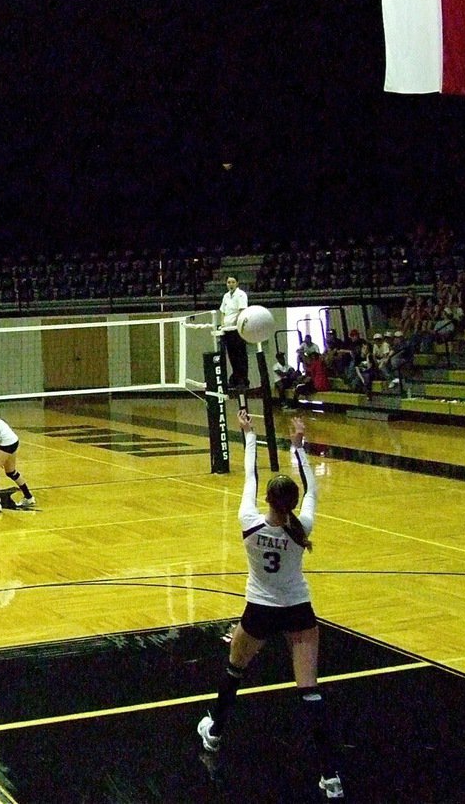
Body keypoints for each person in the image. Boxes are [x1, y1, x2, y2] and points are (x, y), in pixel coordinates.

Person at [197, 411, 343, 800]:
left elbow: (250, 477)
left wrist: (249, 436)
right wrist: (299, 447)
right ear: (292, 503)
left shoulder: (249, 522)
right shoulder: (303, 525)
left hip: (259, 611)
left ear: (267, 501)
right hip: (299, 611)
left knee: (234, 669)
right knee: (309, 692)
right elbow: (311, 489)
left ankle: (214, 732)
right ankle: (331, 776)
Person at [219, 276, 250, 390]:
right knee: (232, 356)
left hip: (237, 330)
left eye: (232, 282)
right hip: (227, 330)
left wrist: (236, 324)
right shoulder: (226, 296)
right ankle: (235, 379)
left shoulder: (241, 295)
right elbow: (222, 311)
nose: (230, 284)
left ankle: (243, 380)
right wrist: (222, 324)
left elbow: (242, 311)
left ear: (237, 283)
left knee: (240, 355)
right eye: (228, 282)